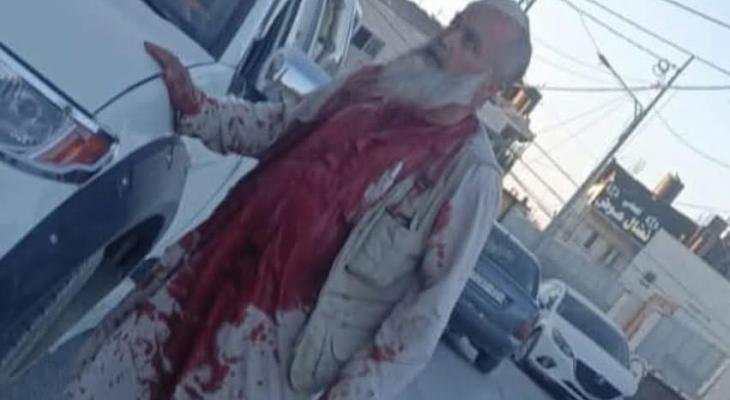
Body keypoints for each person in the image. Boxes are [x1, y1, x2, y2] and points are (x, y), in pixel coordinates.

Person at [69, 1, 532, 399]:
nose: (446, 40)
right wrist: (194, 106)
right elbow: (277, 127)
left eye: (470, 43)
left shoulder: (467, 175)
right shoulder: (372, 84)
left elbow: (422, 319)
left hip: (265, 351)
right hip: (199, 273)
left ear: (490, 88)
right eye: (455, 24)